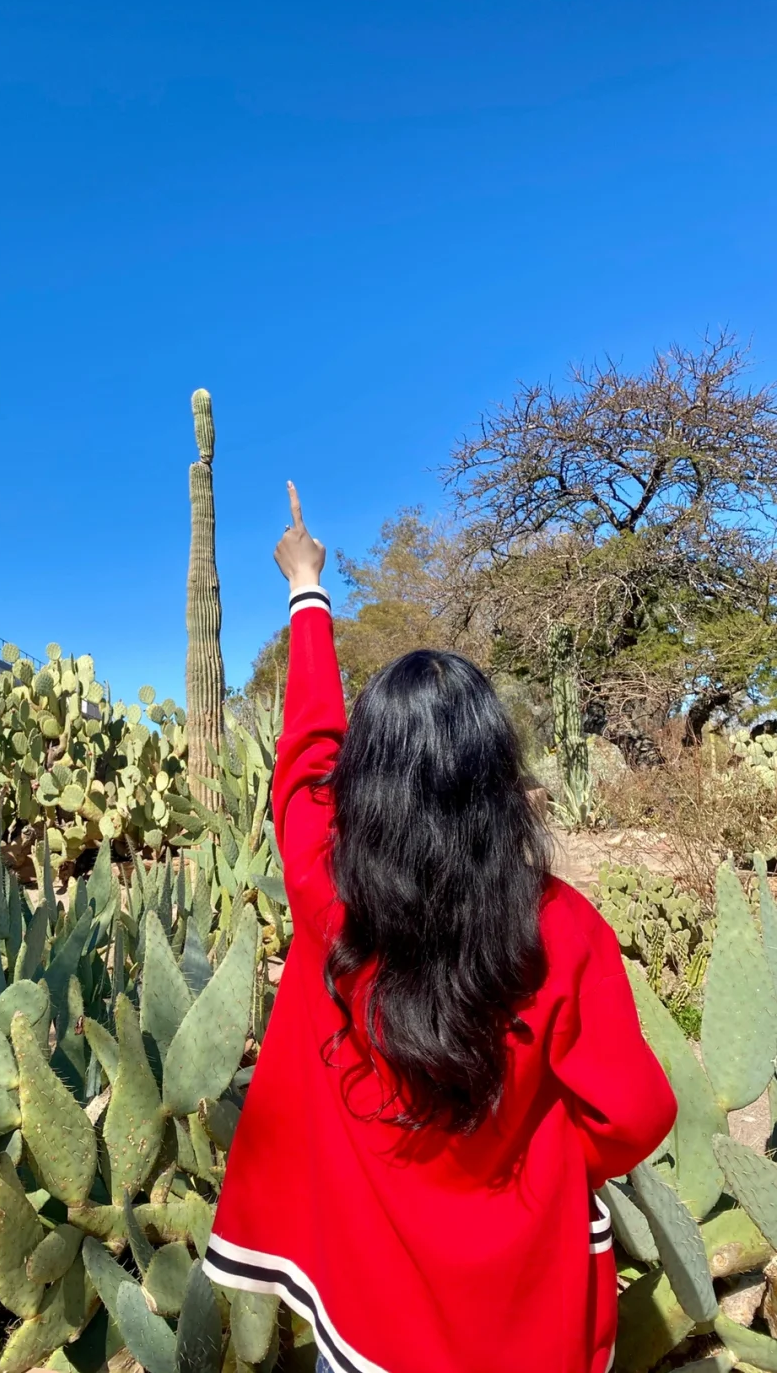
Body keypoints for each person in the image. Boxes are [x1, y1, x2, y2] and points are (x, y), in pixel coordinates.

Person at [203, 483, 677, 1373]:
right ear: (498, 776)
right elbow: (637, 1111)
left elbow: (306, 762)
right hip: (527, 1309)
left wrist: (308, 590)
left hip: (372, 1311)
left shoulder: (330, 897)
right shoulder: (563, 929)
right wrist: (538, 1152)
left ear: (370, 784)